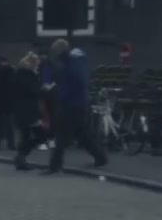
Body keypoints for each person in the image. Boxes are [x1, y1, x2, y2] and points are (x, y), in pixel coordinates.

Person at [45, 38, 107, 173]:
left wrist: (62, 94)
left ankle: (54, 166)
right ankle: (100, 157)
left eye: (55, 51)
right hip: (79, 103)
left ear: (60, 51)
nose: (54, 54)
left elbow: (76, 82)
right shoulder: (75, 62)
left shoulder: (70, 63)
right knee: (82, 134)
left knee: (61, 135)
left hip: (71, 104)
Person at [12, 52, 49, 170]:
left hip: (22, 110)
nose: (38, 66)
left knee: (26, 135)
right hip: (28, 110)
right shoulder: (28, 76)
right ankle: (21, 157)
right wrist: (44, 89)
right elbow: (32, 91)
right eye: (37, 64)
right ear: (32, 64)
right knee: (40, 135)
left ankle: (21, 158)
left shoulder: (19, 75)